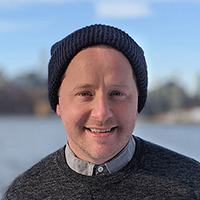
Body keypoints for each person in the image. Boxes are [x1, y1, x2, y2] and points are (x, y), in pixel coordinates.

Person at [2, 24, 200, 200]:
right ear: (58, 104)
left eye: (117, 93)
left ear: (138, 101)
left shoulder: (192, 184)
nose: (102, 113)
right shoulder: (24, 194)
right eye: (85, 93)